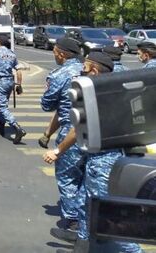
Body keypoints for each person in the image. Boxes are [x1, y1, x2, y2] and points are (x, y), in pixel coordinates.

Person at [42, 52, 142, 253]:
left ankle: (133, 251)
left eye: (84, 69)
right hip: (112, 158)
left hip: (103, 163)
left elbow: (76, 128)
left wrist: (58, 151)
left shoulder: (96, 94)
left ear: (94, 71)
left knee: (107, 214)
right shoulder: (118, 90)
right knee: (88, 205)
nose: (81, 72)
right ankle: (82, 246)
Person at [40, 37, 85, 237]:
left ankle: (73, 223)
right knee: (86, 177)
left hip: (71, 130)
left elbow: (47, 105)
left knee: (67, 177)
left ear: (62, 54)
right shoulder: (91, 67)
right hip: (96, 131)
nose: (53, 55)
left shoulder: (61, 74)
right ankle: (87, 219)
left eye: (55, 51)